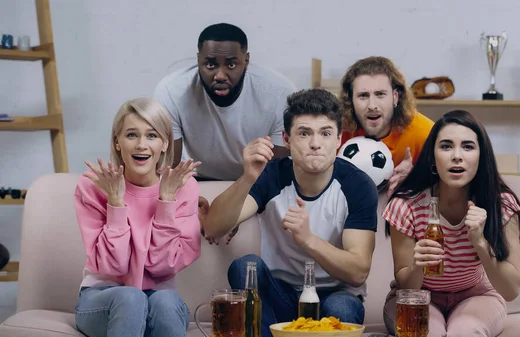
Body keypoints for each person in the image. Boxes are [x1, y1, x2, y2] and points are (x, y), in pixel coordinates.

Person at [201, 88, 379, 337]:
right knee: (244, 267)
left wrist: (308, 240)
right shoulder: (272, 175)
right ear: (286, 139)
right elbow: (213, 227)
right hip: (281, 297)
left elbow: (358, 271)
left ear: (339, 139)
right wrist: (248, 177)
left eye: (325, 133)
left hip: (335, 297)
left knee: (340, 306)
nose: (315, 144)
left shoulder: (357, 185)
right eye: (304, 133)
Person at [381, 110, 520, 336]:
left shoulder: (502, 205)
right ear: (432, 155)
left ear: (481, 156)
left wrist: (480, 243)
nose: (457, 156)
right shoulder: (405, 205)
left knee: (465, 332)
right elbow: (407, 286)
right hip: (417, 295)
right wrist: (419, 264)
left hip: (476, 295)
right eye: (446, 146)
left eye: (468, 147)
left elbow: (511, 290)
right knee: (426, 332)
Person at [73, 98, 202, 337]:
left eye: (151, 135)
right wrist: (116, 204)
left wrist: (166, 201)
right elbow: (113, 265)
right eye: (131, 135)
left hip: (159, 298)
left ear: (165, 143)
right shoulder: (93, 186)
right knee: (131, 297)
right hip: (102, 298)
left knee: (164, 302)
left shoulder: (183, 187)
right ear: (117, 142)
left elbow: (163, 266)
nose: (141, 145)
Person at [154, 22, 297, 182]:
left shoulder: (279, 92)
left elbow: (276, 171)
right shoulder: (171, 90)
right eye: (210, 64)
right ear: (198, 60)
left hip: (256, 182)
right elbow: (168, 168)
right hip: (197, 179)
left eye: (231, 64)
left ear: (246, 60)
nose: (220, 75)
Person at [339, 56, 434, 196]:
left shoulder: (425, 133)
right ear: (350, 100)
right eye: (363, 96)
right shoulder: (337, 132)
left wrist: (416, 177)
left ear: (395, 97)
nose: (372, 105)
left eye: (380, 94)